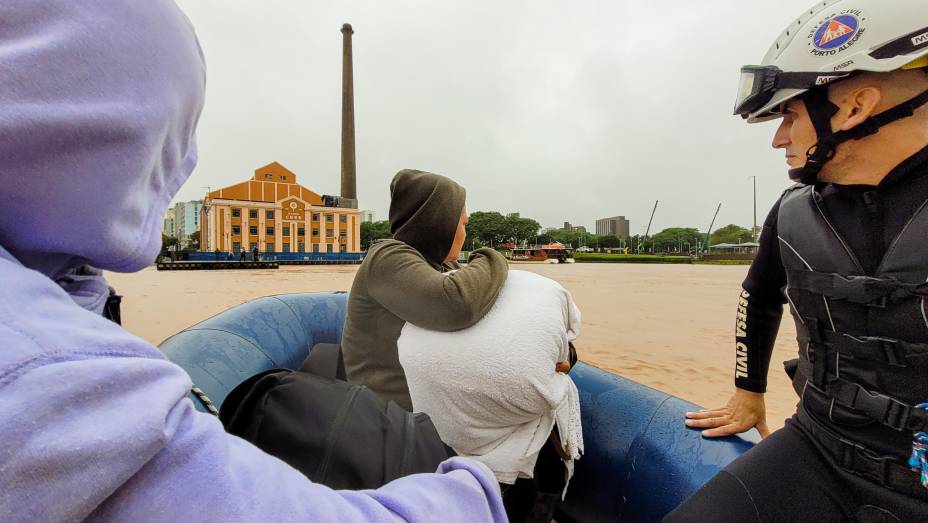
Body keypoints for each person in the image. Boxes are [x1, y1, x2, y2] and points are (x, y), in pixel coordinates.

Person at [0, 1, 506, 521]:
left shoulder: (57, 297)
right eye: (171, 135)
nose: (182, 162)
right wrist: (477, 489)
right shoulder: (48, 372)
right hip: (404, 430)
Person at [668, 0, 928, 520]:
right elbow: (757, 296)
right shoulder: (794, 213)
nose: (778, 138)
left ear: (855, 107)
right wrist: (748, 393)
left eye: (788, 114)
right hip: (818, 448)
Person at [398, 269, 583, 522]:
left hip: (449, 441)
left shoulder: (433, 331)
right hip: (516, 472)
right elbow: (549, 382)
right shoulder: (532, 332)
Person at [341, 169, 510, 411]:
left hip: (433, 409)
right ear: (439, 222)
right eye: (463, 223)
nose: (465, 232)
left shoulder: (442, 266)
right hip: (390, 418)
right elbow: (455, 305)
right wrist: (492, 257)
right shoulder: (385, 258)